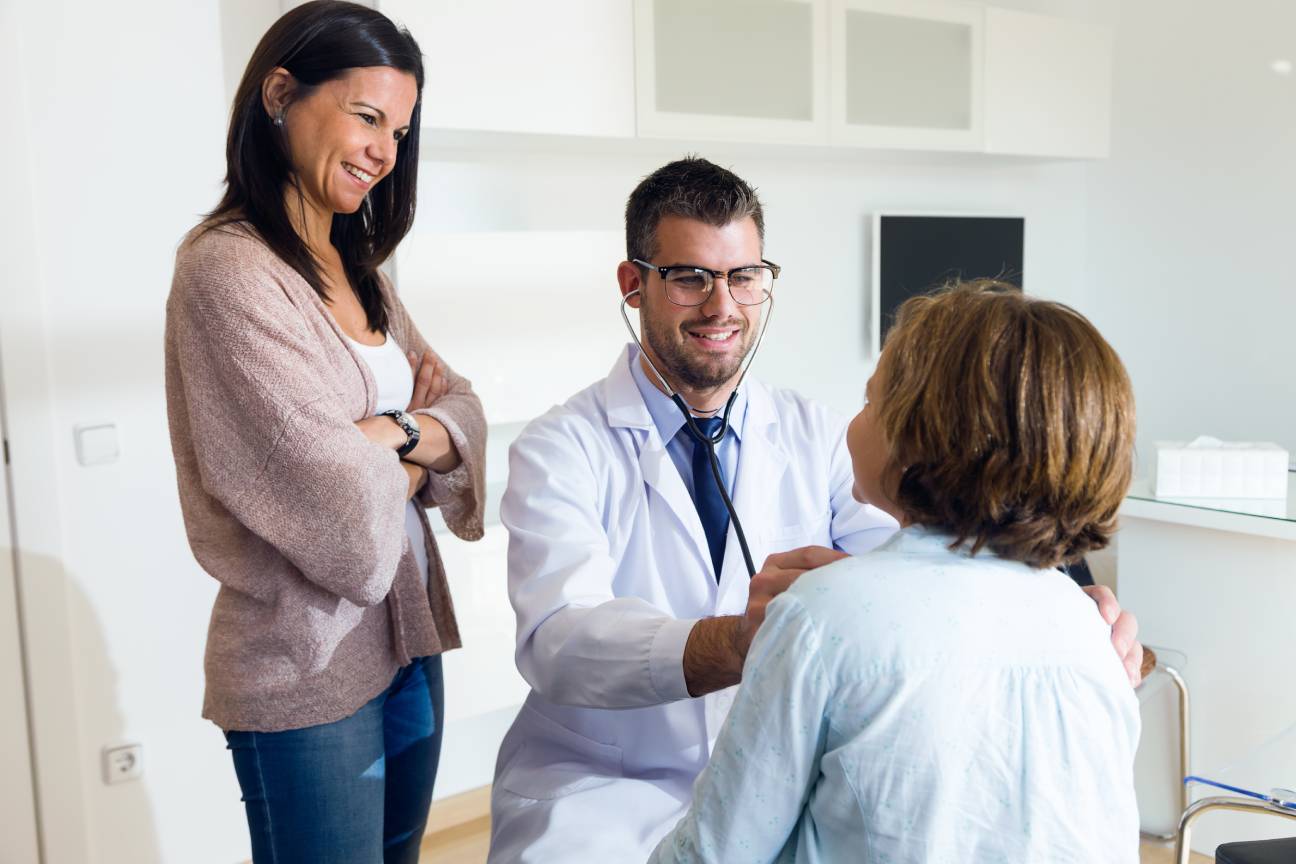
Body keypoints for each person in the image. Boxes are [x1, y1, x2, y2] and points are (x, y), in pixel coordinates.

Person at [488, 157, 1142, 861]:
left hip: (783, 773)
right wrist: (740, 641)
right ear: (633, 284)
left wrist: (1072, 610)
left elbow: (929, 559)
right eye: (690, 278)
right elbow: (559, 641)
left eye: (744, 278)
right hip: (606, 788)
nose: (722, 306)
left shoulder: (816, 433)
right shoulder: (560, 446)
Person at [650, 282, 1142, 863]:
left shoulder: (818, 612)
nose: (850, 423)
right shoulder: (1085, 626)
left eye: (869, 400)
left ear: (919, 435)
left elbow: (715, 852)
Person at [163, 3, 485, 862]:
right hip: (301, 663)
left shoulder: (359, 269)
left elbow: (466, 410)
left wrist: (390, 434)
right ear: (280, 94)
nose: (385, 150)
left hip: (406, 640)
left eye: (400, 128)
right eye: (367, 115)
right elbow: (329, 486)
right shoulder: (227, 269)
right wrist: (416, 440)